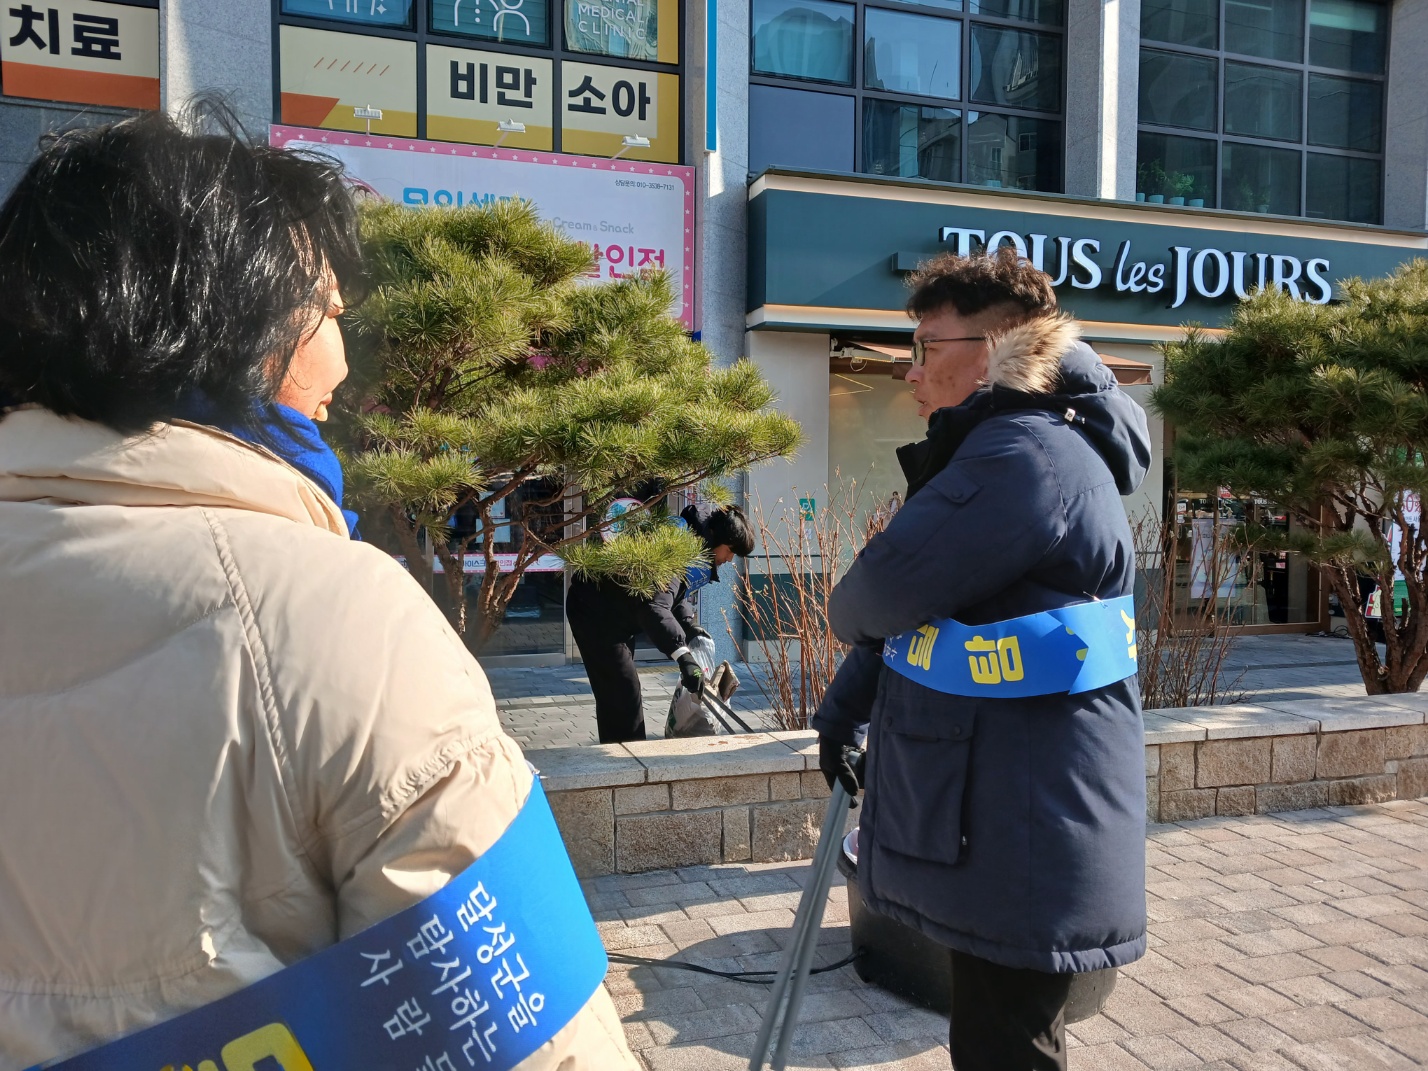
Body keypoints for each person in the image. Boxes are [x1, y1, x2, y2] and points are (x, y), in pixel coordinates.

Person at [0, 108, 636, 1069]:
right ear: (228, 328)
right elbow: (525, 1034)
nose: (342, 358)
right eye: (330, 311)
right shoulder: (337, 618)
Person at [813, 247, 1152, 1070]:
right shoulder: (1025, 445)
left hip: (1022, 807)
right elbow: (925, 618)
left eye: (927, 345)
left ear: (997, 347)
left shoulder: (1019, 455)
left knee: (1007, 1044)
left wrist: (846, 694)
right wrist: (845, 708)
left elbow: (871, 598)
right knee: (1003, 1033)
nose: (911, 369)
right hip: (1017, 799)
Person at [566, 503, 754, 743]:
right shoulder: (676, 549)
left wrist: (688, 624)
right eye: (729, 551)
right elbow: (654, 607)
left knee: (619, 692)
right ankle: (626, 759)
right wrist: (683, 656)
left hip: (617, 612)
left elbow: (670, 596)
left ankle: (624, 753)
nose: (729, 559)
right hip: (595, 612)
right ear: (716, 537)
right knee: (622, 693)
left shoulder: (691, 542)